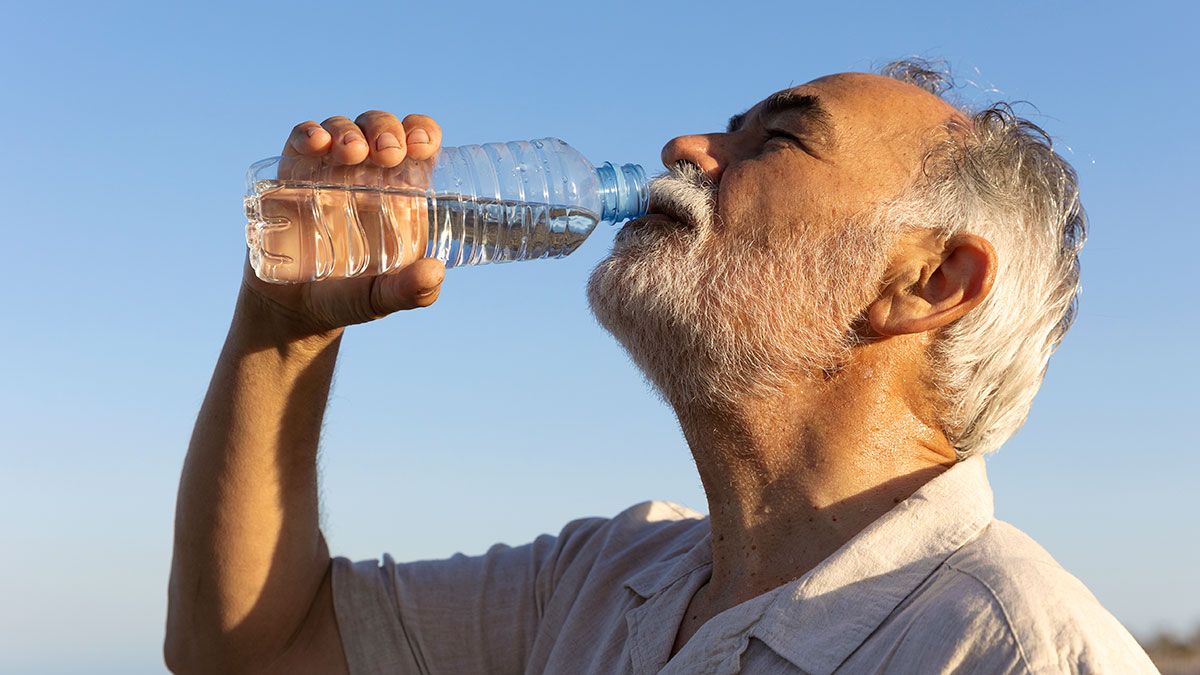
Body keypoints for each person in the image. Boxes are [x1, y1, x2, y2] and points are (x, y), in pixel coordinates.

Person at [164, 60, 1158, 674]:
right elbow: (248, 651)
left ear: (930, 279)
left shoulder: (1013, 653)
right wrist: (284, 326)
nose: (686, 146)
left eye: (778, 137)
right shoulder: (604, 582)